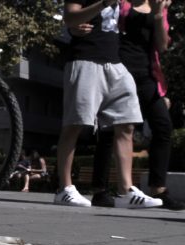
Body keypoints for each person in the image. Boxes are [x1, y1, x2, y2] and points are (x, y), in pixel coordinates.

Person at [55, 0, 161, 209]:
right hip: (85, 59)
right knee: (74, 125)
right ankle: (64, 189)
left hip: (115, 63)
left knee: (127, 122)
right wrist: (102, 3)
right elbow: (70, 18)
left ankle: (126, 191)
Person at [86, 0, 183, 210]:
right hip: (119, 68)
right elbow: (104, 25)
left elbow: (163, 45)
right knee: (110, 129)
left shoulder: (160, 9)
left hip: (147, 75)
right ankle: (100, 190)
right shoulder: (122, 4)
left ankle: (158, 189)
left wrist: (157, 15)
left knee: (163, 126)